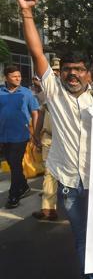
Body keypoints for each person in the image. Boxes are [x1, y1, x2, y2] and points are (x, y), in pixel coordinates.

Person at [18, 0, 93, 279]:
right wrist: (27, 13)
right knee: (81, 241)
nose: (72, 74)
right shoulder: (54, 93)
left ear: (88, 73)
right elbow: (36, 51)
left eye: (78, 69)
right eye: (67, 69)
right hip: (70, 184)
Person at [1, 65, 39, 208]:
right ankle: (23, 186)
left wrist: (35, 133)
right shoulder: (0, 92)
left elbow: (35, 113)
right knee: (12, 164)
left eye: (19, 76)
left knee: (15, 164)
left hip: (21, 135)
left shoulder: (27, 93)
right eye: (14, 76)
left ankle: (13, 195)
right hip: (3, 136)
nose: (18, 78)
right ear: (6, 77)